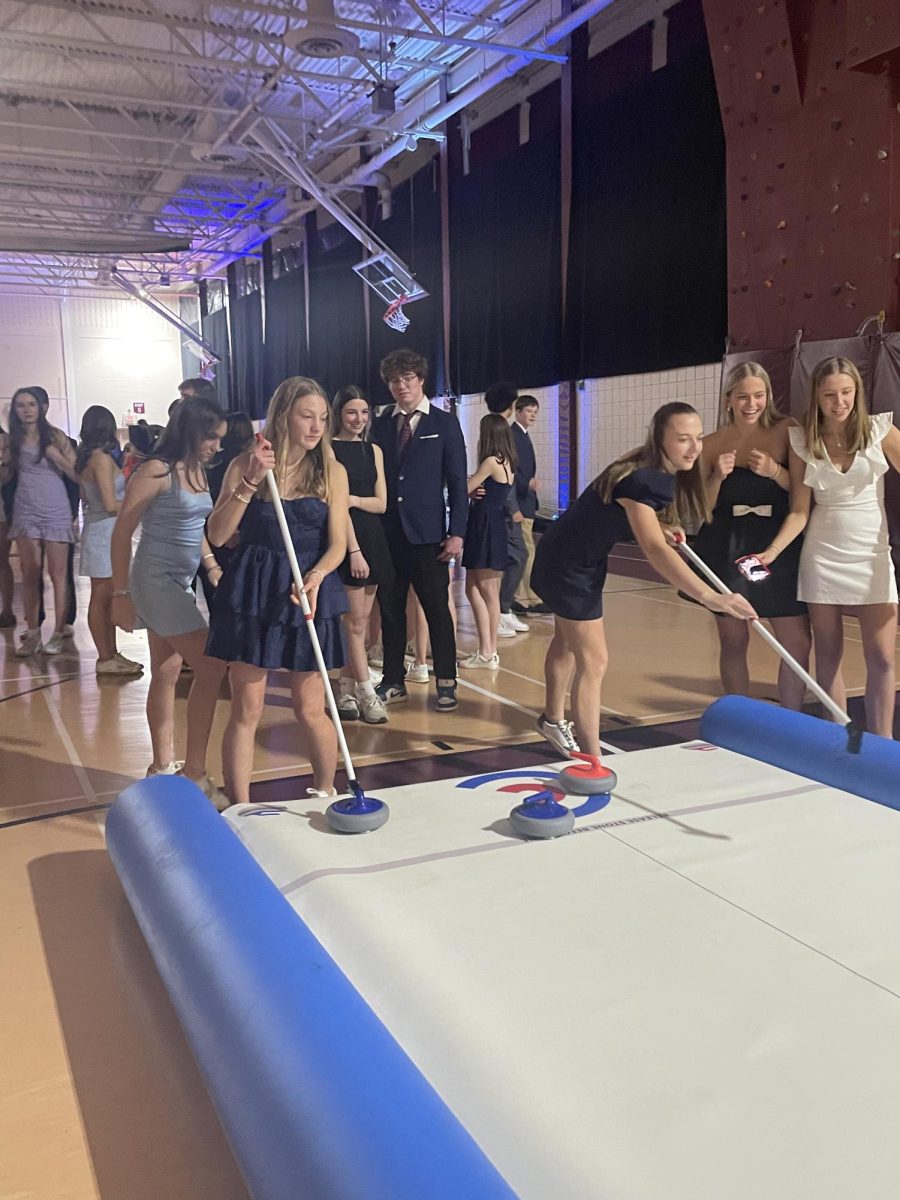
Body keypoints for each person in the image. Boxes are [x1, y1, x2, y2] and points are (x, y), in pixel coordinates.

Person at [531, 402, 757, 757]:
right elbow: (653, 550)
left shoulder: (643, 464)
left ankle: (553, 721)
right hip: (568, 567)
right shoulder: (646, 478)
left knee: (567, 643)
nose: (694, 448)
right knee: (594, 660)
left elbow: (618, 515)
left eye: (698, 438)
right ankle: (592, 759)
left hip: (572, 557)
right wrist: (709, 596)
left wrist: (662, 526)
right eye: (683, 439)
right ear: (660, 439)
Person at [206, 378, 349, 805]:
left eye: (323, 418)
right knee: (246, 710)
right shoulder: (245, 464)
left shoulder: (331, 471)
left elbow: (338, 543)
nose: (316, 426)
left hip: (307, 588)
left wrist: (319, 575)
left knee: (310, 708)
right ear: (283, 414)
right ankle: (241, 807)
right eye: (307, 416)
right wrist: (250, 482)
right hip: (254, 590)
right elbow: (217, 533)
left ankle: (325, 791)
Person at [757, 357, 900, 738]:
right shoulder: (803, 439)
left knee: (884, 658)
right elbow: (801, 510)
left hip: (872, 552)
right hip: (822, 553)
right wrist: (770, 552)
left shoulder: (880, 431)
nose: (840, 402)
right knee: (829, 656)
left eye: (847, 393)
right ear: (816, 398)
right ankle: (844, 738)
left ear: (858, 392)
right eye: (830, 395)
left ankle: (883, 743)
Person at [111, 395, 228, 798]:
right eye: (211, 438)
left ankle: (162, 765)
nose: (216, 446)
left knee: (166, 671)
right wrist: (120, 593)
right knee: (211, 666)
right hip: (153, 579)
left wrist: (210, 564)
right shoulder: (156, 471)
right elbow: (122, 531)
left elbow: (194, 526)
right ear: (192, 432)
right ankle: (194, 772)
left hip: (180, 579)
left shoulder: (197, 470)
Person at [692, 363, 810, 707]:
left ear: (768, 397)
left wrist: (775, 471)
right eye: (743, 396)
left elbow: (803, 498)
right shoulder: (711, 443)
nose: (751, 404)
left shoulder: (789, 431)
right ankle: (739, 714)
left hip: (779, 544)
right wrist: (716, 477)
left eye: (759, 396)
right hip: (727, 545)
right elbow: (703, 509)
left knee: (796, 640)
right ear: (729, 399)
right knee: (733, 638)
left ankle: (793, 717)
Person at [370, 350, 468, 712]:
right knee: (391, 611)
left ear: (421, 380)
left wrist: (457, 531)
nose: (401, 386)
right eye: (395, 381)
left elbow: (458, 482)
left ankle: (446, 681)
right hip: (389, 535)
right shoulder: (381, 425)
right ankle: (393, 680)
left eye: (408, 378)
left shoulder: (444, 424)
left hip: (430, 537)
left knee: (436, 611)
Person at [330, 385, 390, 725]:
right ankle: (366, 691)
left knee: (363, 623)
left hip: (373, 535)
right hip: (345, 536)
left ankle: (346, 686)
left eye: (364, 413)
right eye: (352, 412)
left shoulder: (374, 450)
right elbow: (334, 504)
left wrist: (351, 499)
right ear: (340, 413)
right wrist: (353, 549)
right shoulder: (327, 450)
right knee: (353, 623)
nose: (359, 419)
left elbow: (380, 503)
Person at [6, 386, 78, 657]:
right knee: (30, 572)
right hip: (26, 508)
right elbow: (6, 478)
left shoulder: (56, 436)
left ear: (41, 408)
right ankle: (33, 631)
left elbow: (76, 474)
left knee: (58, 575)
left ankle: (59, 630)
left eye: (31, 404)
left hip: (55, 507)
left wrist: (57, 457)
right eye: (20, 405)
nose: (26, 409)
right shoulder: (12, 440)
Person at [76, 405, 143, 676]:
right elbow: (109, 503)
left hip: (104, 529)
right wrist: (138, 501)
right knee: (102, 597)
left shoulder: (90, 457)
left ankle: (111, 654)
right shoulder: (101, 458)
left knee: (105, 596)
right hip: (104, 532)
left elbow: (87, 498)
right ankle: (105, 657)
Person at [460, 414, 516, 668]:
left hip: (485, 526)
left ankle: (488, 651)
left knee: (486, 591)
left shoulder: (491, 461)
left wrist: (467, 484)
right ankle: (487, 650)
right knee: (473, 587)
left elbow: (464, 488)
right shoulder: (507, 463)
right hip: (490, 525)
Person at [484, 382, 528, 639]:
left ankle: (503, 609)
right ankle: (500, 611)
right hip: (501, 507)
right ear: (511, 406)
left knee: (514, 557)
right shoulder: (499, 429)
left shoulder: (496, 427)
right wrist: (512, 508)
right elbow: (503, 473)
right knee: (516, 556)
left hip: (501, 505)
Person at [511, 394, 549, 615]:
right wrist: (526, 483)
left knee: (523, 551)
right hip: (520, 502)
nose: (533, 416)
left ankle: (519, 596)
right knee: (526, 551)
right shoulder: (514, 436)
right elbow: (511, 470)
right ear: (518, 412)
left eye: (535, 412)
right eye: (529, 411)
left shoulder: (522, 435)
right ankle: (530, 598)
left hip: (525, 501)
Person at [0, 421, 15, 627]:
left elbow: (7, 476)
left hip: (2, 508)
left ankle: (7, 610)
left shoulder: (6, 441)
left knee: (1, 560)